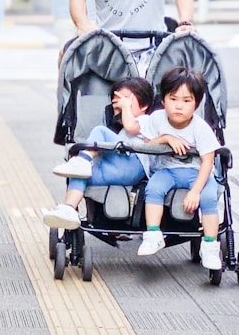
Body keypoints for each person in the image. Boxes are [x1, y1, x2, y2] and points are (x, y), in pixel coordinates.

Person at [133, 66, 223, 271]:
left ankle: (209, 247)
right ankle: (154, 234)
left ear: (196, 104)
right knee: (153, 189)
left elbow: (208, 162)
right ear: (163, 100)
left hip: (197, 173)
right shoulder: (157, 119)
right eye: (173, 99)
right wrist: (165, 138)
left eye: (186, 100)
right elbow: (146, 144)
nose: (179, 106)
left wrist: (195, 191)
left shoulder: (200, 128)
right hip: (167, 171)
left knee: (209, 197)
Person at [42, 77, 155, 229]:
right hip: (115, 170)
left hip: (133, 165)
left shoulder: (147, 121)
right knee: (80, 175)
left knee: (99, 131)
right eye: (116, 104)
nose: (121, 107)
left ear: (144, 105)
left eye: (127, 101)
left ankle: (83, 160)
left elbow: (131, 127)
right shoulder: (120, 132)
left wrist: (125, 108)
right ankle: (68, 208)